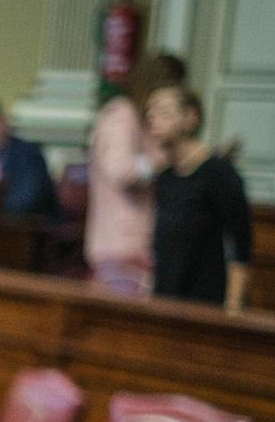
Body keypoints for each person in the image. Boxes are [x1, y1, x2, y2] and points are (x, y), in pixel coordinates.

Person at [146, 85, 253, 308]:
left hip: (204, 303)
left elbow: (240, 242)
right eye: (150, 112)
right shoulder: (165, 177)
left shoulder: (218, 173)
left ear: (191, 117)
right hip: (165, 300)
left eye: (164, 112)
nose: (152, 118)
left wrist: (233, 305)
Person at [86, 51, 186, 272]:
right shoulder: (121, 116)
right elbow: (122, 170)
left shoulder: (137, 117)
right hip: (121, 246)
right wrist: (165, 161)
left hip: (138, 245)